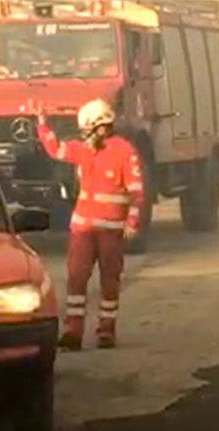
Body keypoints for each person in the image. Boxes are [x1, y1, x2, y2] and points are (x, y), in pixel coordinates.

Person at [34, 98, 144, 350]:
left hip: (112, 230)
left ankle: (106, 330)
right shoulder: (84, 150)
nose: (85, 136)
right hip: (83, 230)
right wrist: (42, 124)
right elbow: (57, 149)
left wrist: (132, 222)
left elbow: (137, 192)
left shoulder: (124, 151)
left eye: (87, 130)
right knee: (76, 279)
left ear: (100, 126)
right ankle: (73, 331)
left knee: (110, 280)